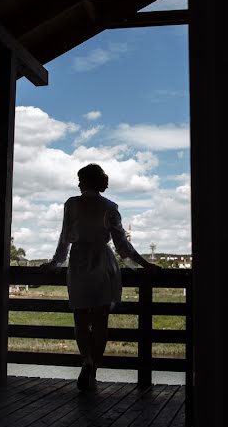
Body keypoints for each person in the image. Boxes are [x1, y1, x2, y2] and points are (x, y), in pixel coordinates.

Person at [42, 163, 160, 391]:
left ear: (86, 181)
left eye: (80, 179)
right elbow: (123, 246)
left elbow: (64, 239)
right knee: (101, 322)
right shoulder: (110, 207)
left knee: (80, 318)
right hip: (103, 265)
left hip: (78, 264)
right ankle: (93, 370)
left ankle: (86, 359)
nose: (77, 184)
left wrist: (55, 264)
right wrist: (144, 265)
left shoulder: (72, 204)